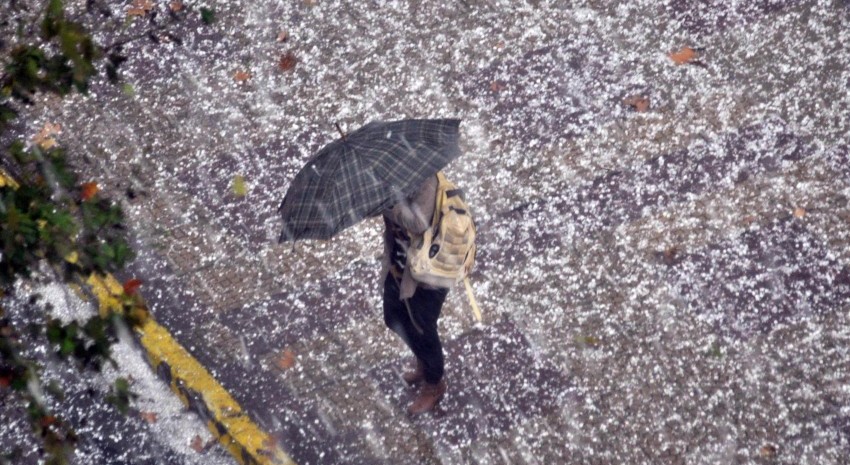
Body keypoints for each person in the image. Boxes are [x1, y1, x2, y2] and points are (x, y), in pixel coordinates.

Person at [381, 174, 448, 415]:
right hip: (401, 264)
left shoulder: (426, 178)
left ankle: (434, 383)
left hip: (430, 271)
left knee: (422, 326)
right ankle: (423, 360)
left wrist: (390, 205)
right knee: (393, 317)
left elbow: (419, 223)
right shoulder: (392, 175)